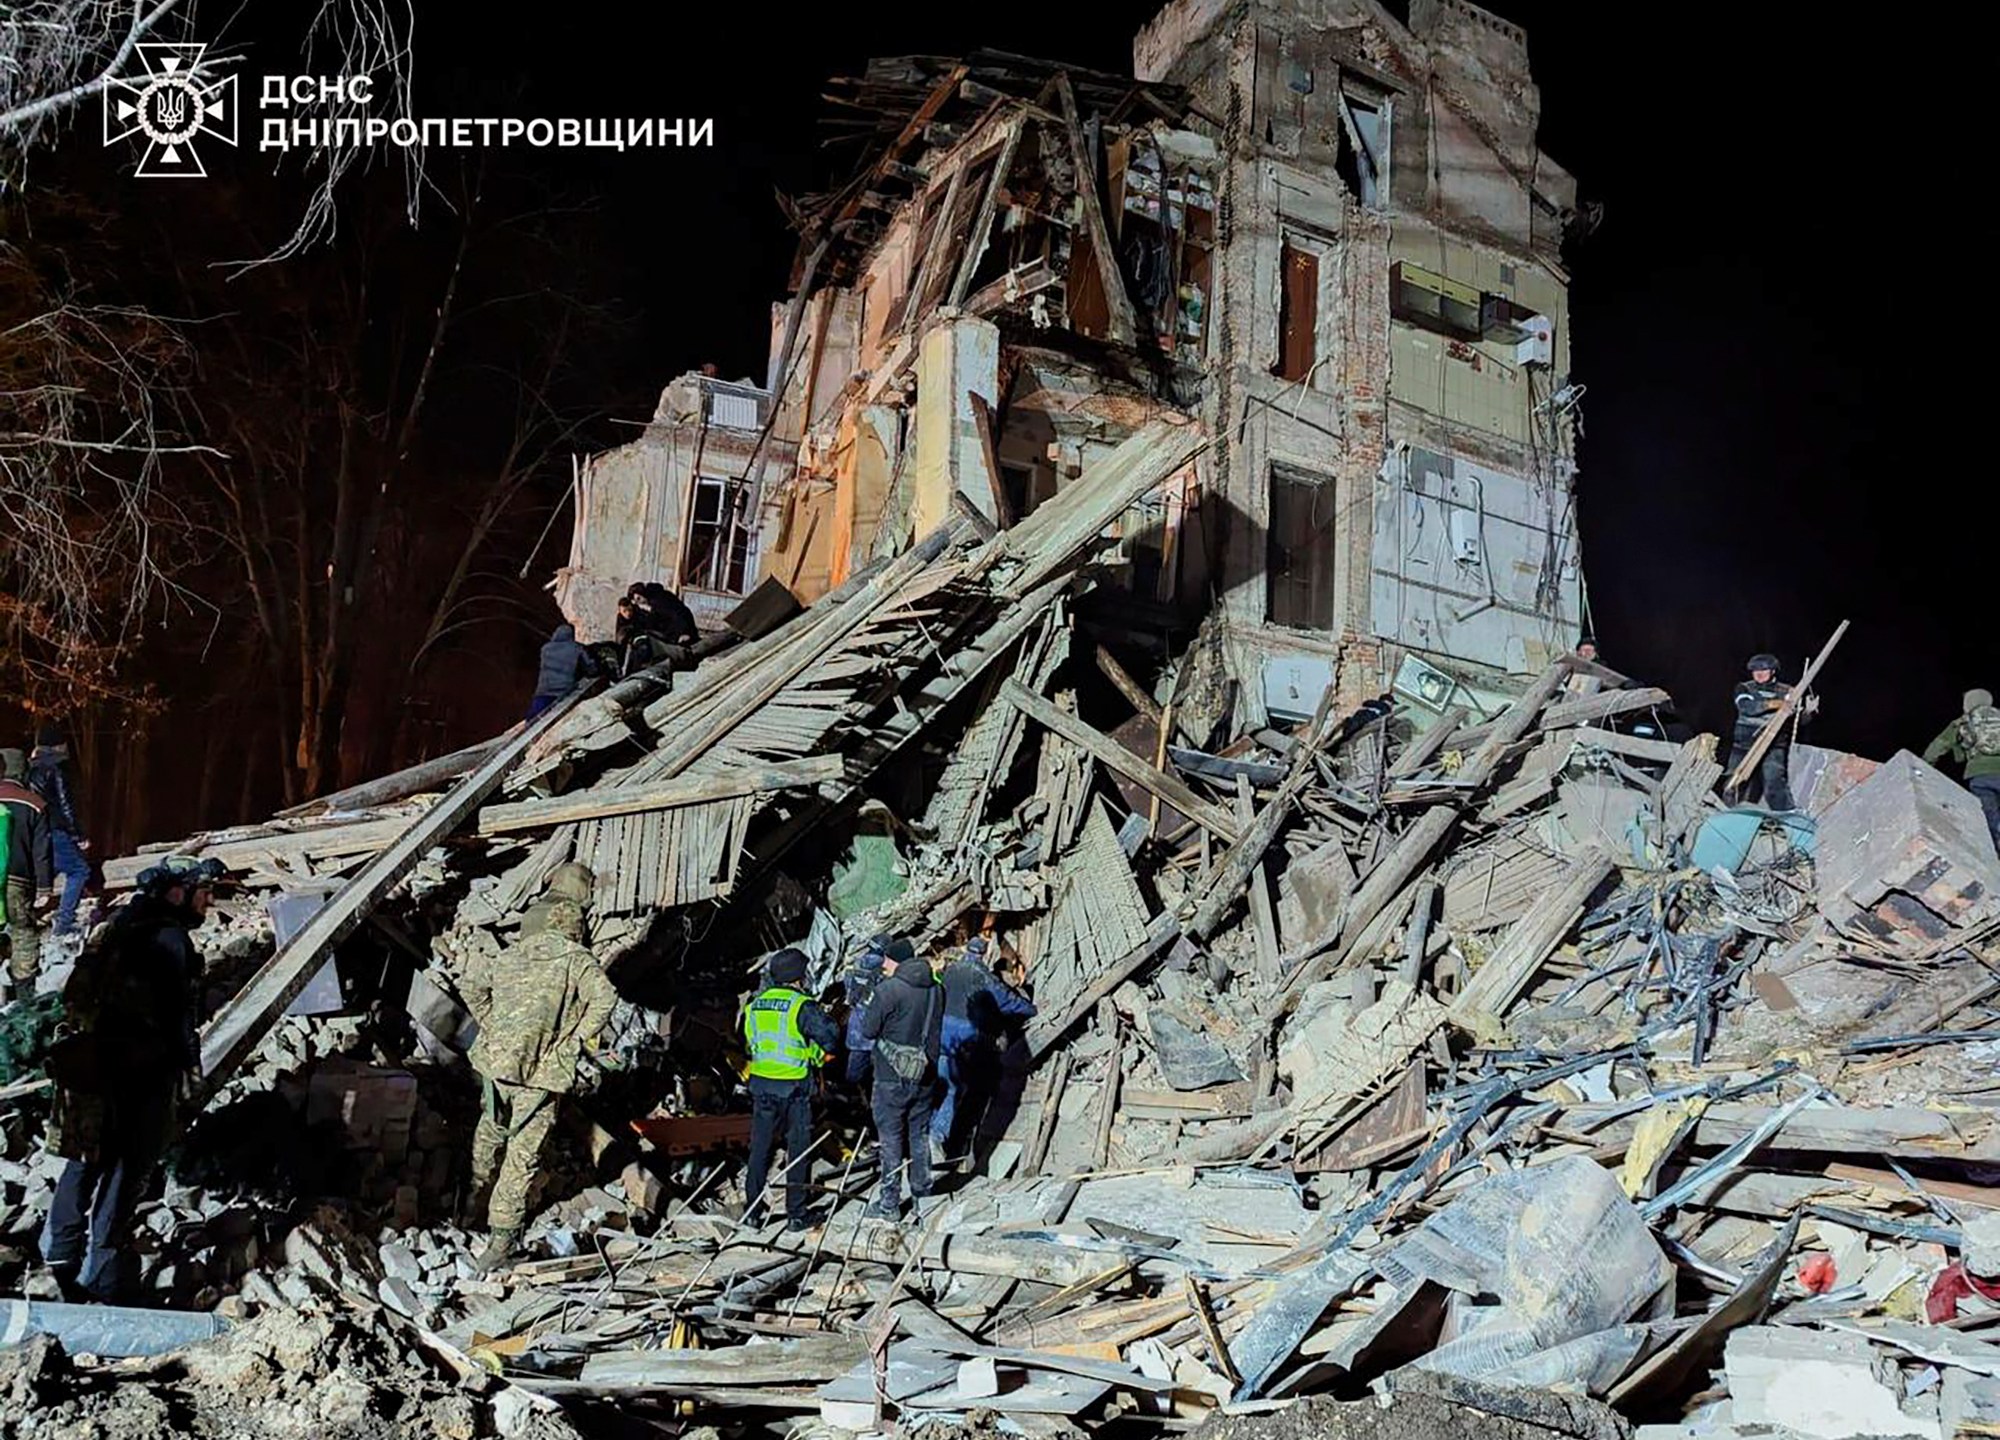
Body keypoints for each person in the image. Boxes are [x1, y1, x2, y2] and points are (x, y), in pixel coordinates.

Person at [40, 854, 221, 1302]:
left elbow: (75, 996)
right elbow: (177, 1017)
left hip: (90, 1061)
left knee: (84, 1157)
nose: (209, 902)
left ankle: (58, 1254)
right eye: (203, 893)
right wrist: (186, 1075)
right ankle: (102, 1273)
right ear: (177, 893)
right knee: (126, 1169)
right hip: (140, 1071)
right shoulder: (171, 940)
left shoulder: (115, 928)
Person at [458, 863, 619, 1272]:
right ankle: (501, 1240)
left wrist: (493, 1024)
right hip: (540, 1072)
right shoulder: (576, 960)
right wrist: (573, 1041)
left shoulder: (514, 953)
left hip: (496, 1063)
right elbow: (605, 998)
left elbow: (471, 985)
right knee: (522, 1154)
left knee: (490, 1131)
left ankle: (472, 1205)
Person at [741, 948, 838, 1231]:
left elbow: (751, 1042)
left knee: (759, 1150)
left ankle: (752, 1213)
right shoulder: (801, 1006)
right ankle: (796, 1214)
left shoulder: (755, 1005)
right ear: (799, 975)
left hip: (761, 1085)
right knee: (797, 1150)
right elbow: (831, 1040)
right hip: (794, 1088)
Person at [931, 936, 1036, 1163]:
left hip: (940, 1032)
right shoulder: (984, 977)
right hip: (965, 1037)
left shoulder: (950, 971)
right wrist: (1031, 1009)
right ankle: (937, 1136)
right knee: (954, 1088)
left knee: (939, 1082)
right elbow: (1008, 1002)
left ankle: (925, 1133)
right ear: (985, 954)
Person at [858, 940, 943, 1219]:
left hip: (890, 1076)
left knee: (891, 1140)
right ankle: (923, 1200)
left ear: (895, 961)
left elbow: (869, 1031)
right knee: (919, 1136)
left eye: (885, 961)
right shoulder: (936, 990)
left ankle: (890, 1205)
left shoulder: (888, 991)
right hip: (925, 1074)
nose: (883, 966)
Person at [2, 747, 54, 999]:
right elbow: (41, 850)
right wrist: (45, 887)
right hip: (18, 879)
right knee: (23, 934)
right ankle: (23, 996)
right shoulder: (34, 803)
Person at [1727, 653, 1809, 812]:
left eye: (1764, 670)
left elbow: (1799, 720)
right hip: (1744, 743)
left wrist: (1806, 712)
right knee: (1734, 781)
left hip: (1774, 744)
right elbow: (1747, 708)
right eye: (1755, 670)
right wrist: (1776, 704)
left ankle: (1786, 814)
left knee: (1774, 781)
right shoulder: (1744, 688)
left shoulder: (1788, 691)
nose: (1759, 673)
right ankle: (1730, 812)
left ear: (1773, 671)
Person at [28, 726, 89, 938]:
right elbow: (65, 804)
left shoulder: (30, 769)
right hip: (56, 828)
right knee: (79, 870)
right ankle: (65, 922)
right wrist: (77, 834)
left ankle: (25, 918)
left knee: (45, 872)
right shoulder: (57, 768)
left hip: (35, 830)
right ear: (57, 745)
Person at [1923, 689, 2000, 849]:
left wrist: (1925, 766)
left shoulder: (1962, 722)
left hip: (1979, 774)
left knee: (1990, 815)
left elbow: (1938, 746)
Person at [843, 934, 914, 1090]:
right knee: (877, 1065)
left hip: (856, 1022)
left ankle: (849, 1091)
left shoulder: (855, 963)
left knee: (855, 1064)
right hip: (877, 1023)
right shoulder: (885, 969)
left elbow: (848, 987)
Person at [527, 623, 597, 718]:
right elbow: (591, 668)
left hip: (542, 692)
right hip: (565, 693)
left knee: (532, 721)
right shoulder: (577, 648)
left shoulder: (545, 649)